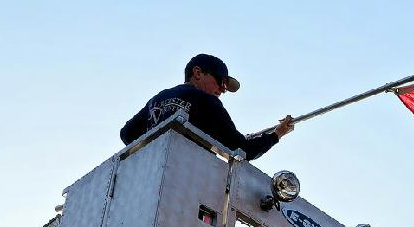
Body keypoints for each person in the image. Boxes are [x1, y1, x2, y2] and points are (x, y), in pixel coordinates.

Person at [120, 53, 295, 160]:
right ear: (197, 73)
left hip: (149, 173)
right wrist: (277, 134)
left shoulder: (157, 100)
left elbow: (127, 134)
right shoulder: (205, 101)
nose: (223, 90)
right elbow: (243, 150)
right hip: (186, 178)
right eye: (221, 81)